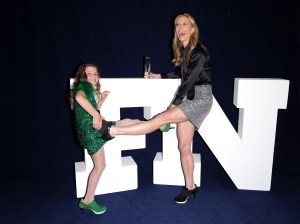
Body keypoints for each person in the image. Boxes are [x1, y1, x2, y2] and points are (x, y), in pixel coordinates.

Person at [100, 13, 213, 204]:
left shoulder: (199, 52)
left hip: (199, 99)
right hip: (189, 98)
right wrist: (157, 76)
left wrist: (173, 104)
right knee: (184, 147)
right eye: (177, 25)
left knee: (159, 120)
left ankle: (112, 130)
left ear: (192, 29)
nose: (180, 28)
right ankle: (191, 186)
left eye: (184, 24)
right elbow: (179, 73)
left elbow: (188, 82)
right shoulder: (185, 53)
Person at [70, 63, 140, 214]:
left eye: (95, 74)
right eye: (89, 74)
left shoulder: (88, 90)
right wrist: (96, 115)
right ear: (82, 76)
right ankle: (157, 124)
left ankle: (87, 200)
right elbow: (78, 98)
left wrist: (102, 99)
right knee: (123, 125)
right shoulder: (84, 87)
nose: (93, 76)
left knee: (101, 165)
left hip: (90, 131)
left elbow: (93, 108)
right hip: (92, 132)